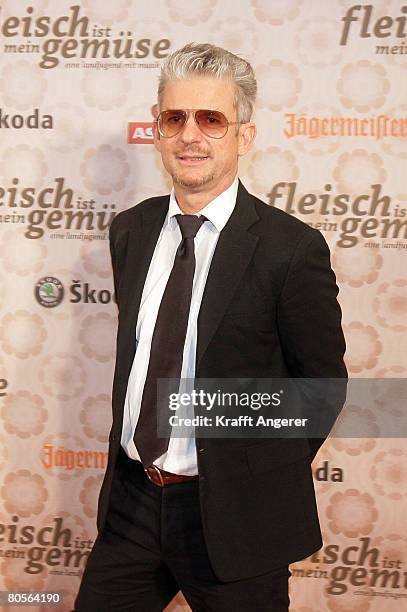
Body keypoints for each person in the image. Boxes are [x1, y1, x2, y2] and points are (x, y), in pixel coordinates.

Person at [75, 42, 347, 612]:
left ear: (243, 136)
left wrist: (251, 470)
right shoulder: (131, 231)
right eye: (174, 118)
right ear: (157, 130)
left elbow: (320, 387)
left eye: (211, 119)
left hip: (236, 519)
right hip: (131, 502)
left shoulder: (290, 249)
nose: (189, 136)